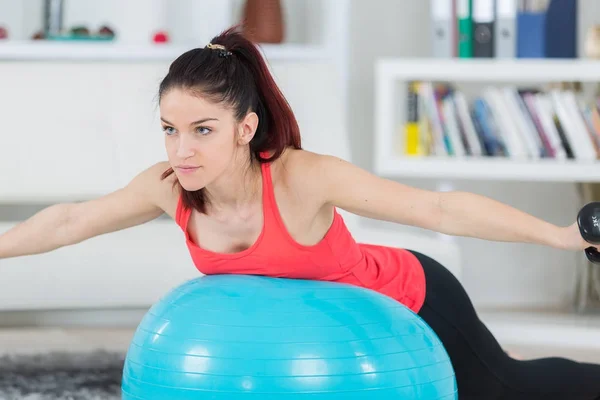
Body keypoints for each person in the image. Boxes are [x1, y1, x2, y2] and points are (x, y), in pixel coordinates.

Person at [1, 26, 600, 399]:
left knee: (508, 388)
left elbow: (437, 207)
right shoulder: (169, 187)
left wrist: (558, 235)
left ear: (245, 128)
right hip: (320, 343)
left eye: (202, 130)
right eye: (169, 129)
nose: (181, 150)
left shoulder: (301, 177)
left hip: (409, 300)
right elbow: (70, 221)